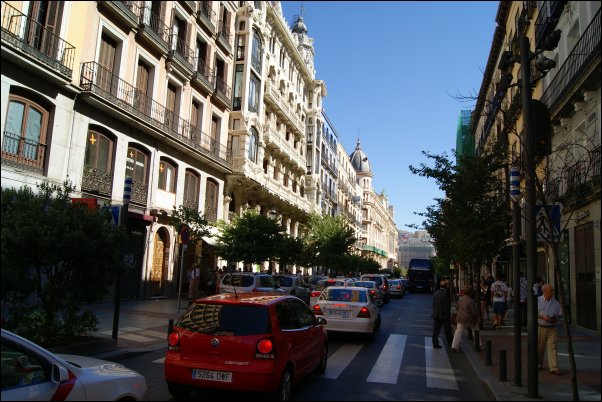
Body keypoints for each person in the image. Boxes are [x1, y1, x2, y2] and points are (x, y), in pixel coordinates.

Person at [537, 284, 563, 374]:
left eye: (553, 290)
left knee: (553, 347)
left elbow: (560, 313)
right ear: (545, 291)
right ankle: (538, 364)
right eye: (551, 290)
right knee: (540, 347)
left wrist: (555, 317)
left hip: (552, 327)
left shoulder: (555, 302)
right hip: (541, 327)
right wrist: (543, 317)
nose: (553, 292)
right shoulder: (538, 300)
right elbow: (533, 313)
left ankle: (553, 367)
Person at [451, 285, 478, 352]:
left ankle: (454, 346)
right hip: (469, 318)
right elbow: (474, 311)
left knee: (458, 331)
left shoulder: (460, 299)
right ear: (470, 293)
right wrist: (476, 317)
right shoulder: (471, 300)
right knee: (475, 330)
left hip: (460, 317)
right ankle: (479, 344)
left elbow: (457, 308)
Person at [432, 279, 453, 349]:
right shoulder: (446, 294)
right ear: (446, 286)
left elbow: (433, 304)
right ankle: (451, 344)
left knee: (436, 330)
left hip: (436, 314)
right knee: (447, 331)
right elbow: (447, 306)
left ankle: (435, 343)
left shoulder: (435, 293)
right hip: (444, 315)